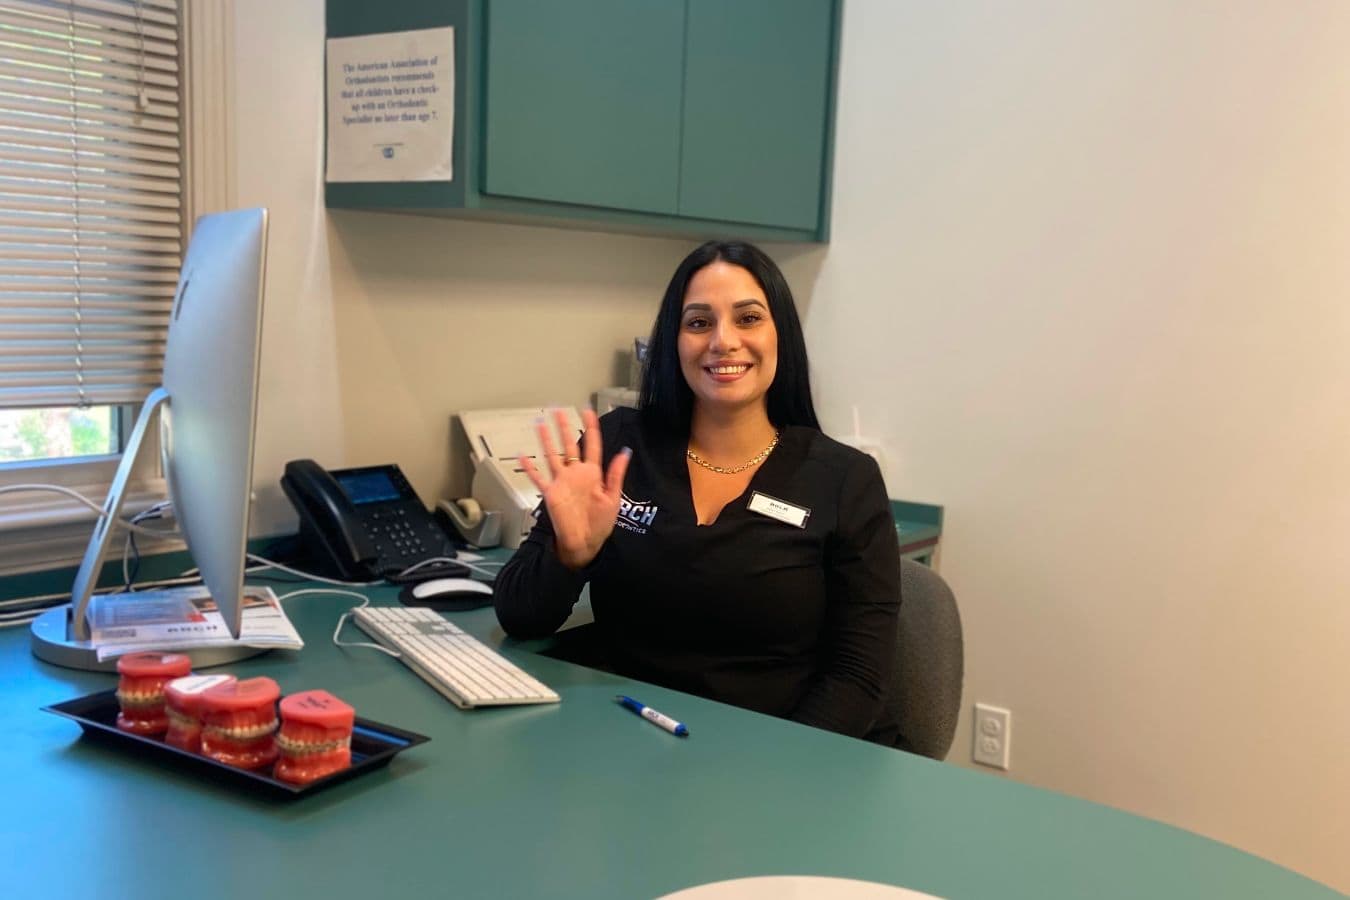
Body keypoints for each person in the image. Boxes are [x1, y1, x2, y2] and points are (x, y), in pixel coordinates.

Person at [493, 240, 902, 743]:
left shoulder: (844, 479)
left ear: (781, 335)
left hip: (779, 756)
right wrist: (569, 556)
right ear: (674, 341)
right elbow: (519, 617)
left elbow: (858, 679)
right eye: (699, 322)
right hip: (642, 743)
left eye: (748, 318)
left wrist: (778, 771)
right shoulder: (618, 447)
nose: (723, 341)